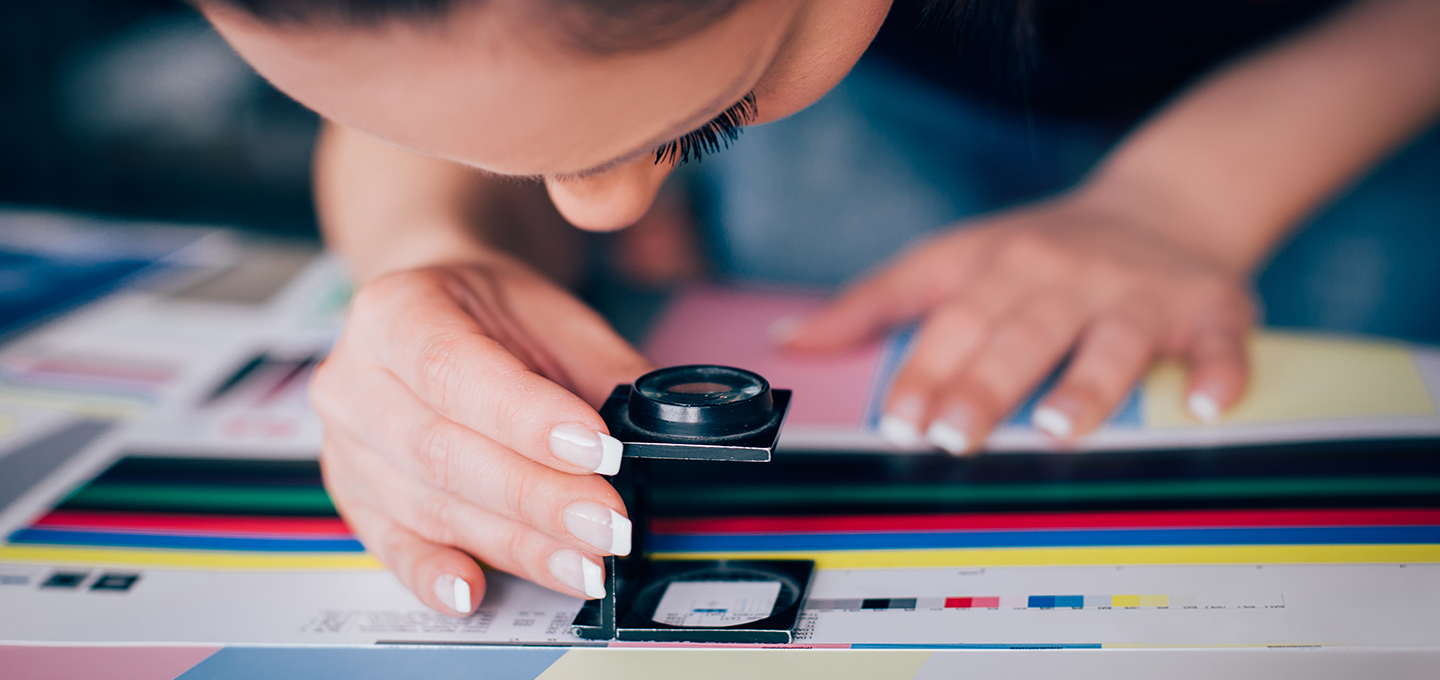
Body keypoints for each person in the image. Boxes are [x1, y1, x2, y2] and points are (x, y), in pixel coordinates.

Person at [194, 0, 1440, 617]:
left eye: (703, 125)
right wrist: (428, 238)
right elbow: (458, 58)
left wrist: (1189, 200)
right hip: (869, 110)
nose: (608, 218)